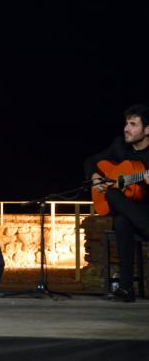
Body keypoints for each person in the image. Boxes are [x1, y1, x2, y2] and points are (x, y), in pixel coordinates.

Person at [84, 103, 149, 302]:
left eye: (133, 124)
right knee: (119, 212)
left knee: (119, 215)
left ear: (147, 130)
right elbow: (91, 161)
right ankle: (126, 288)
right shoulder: (119, 146)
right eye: (126, 123)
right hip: (133, 210)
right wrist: (95, 176)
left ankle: (126, 288)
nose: (126, 128)